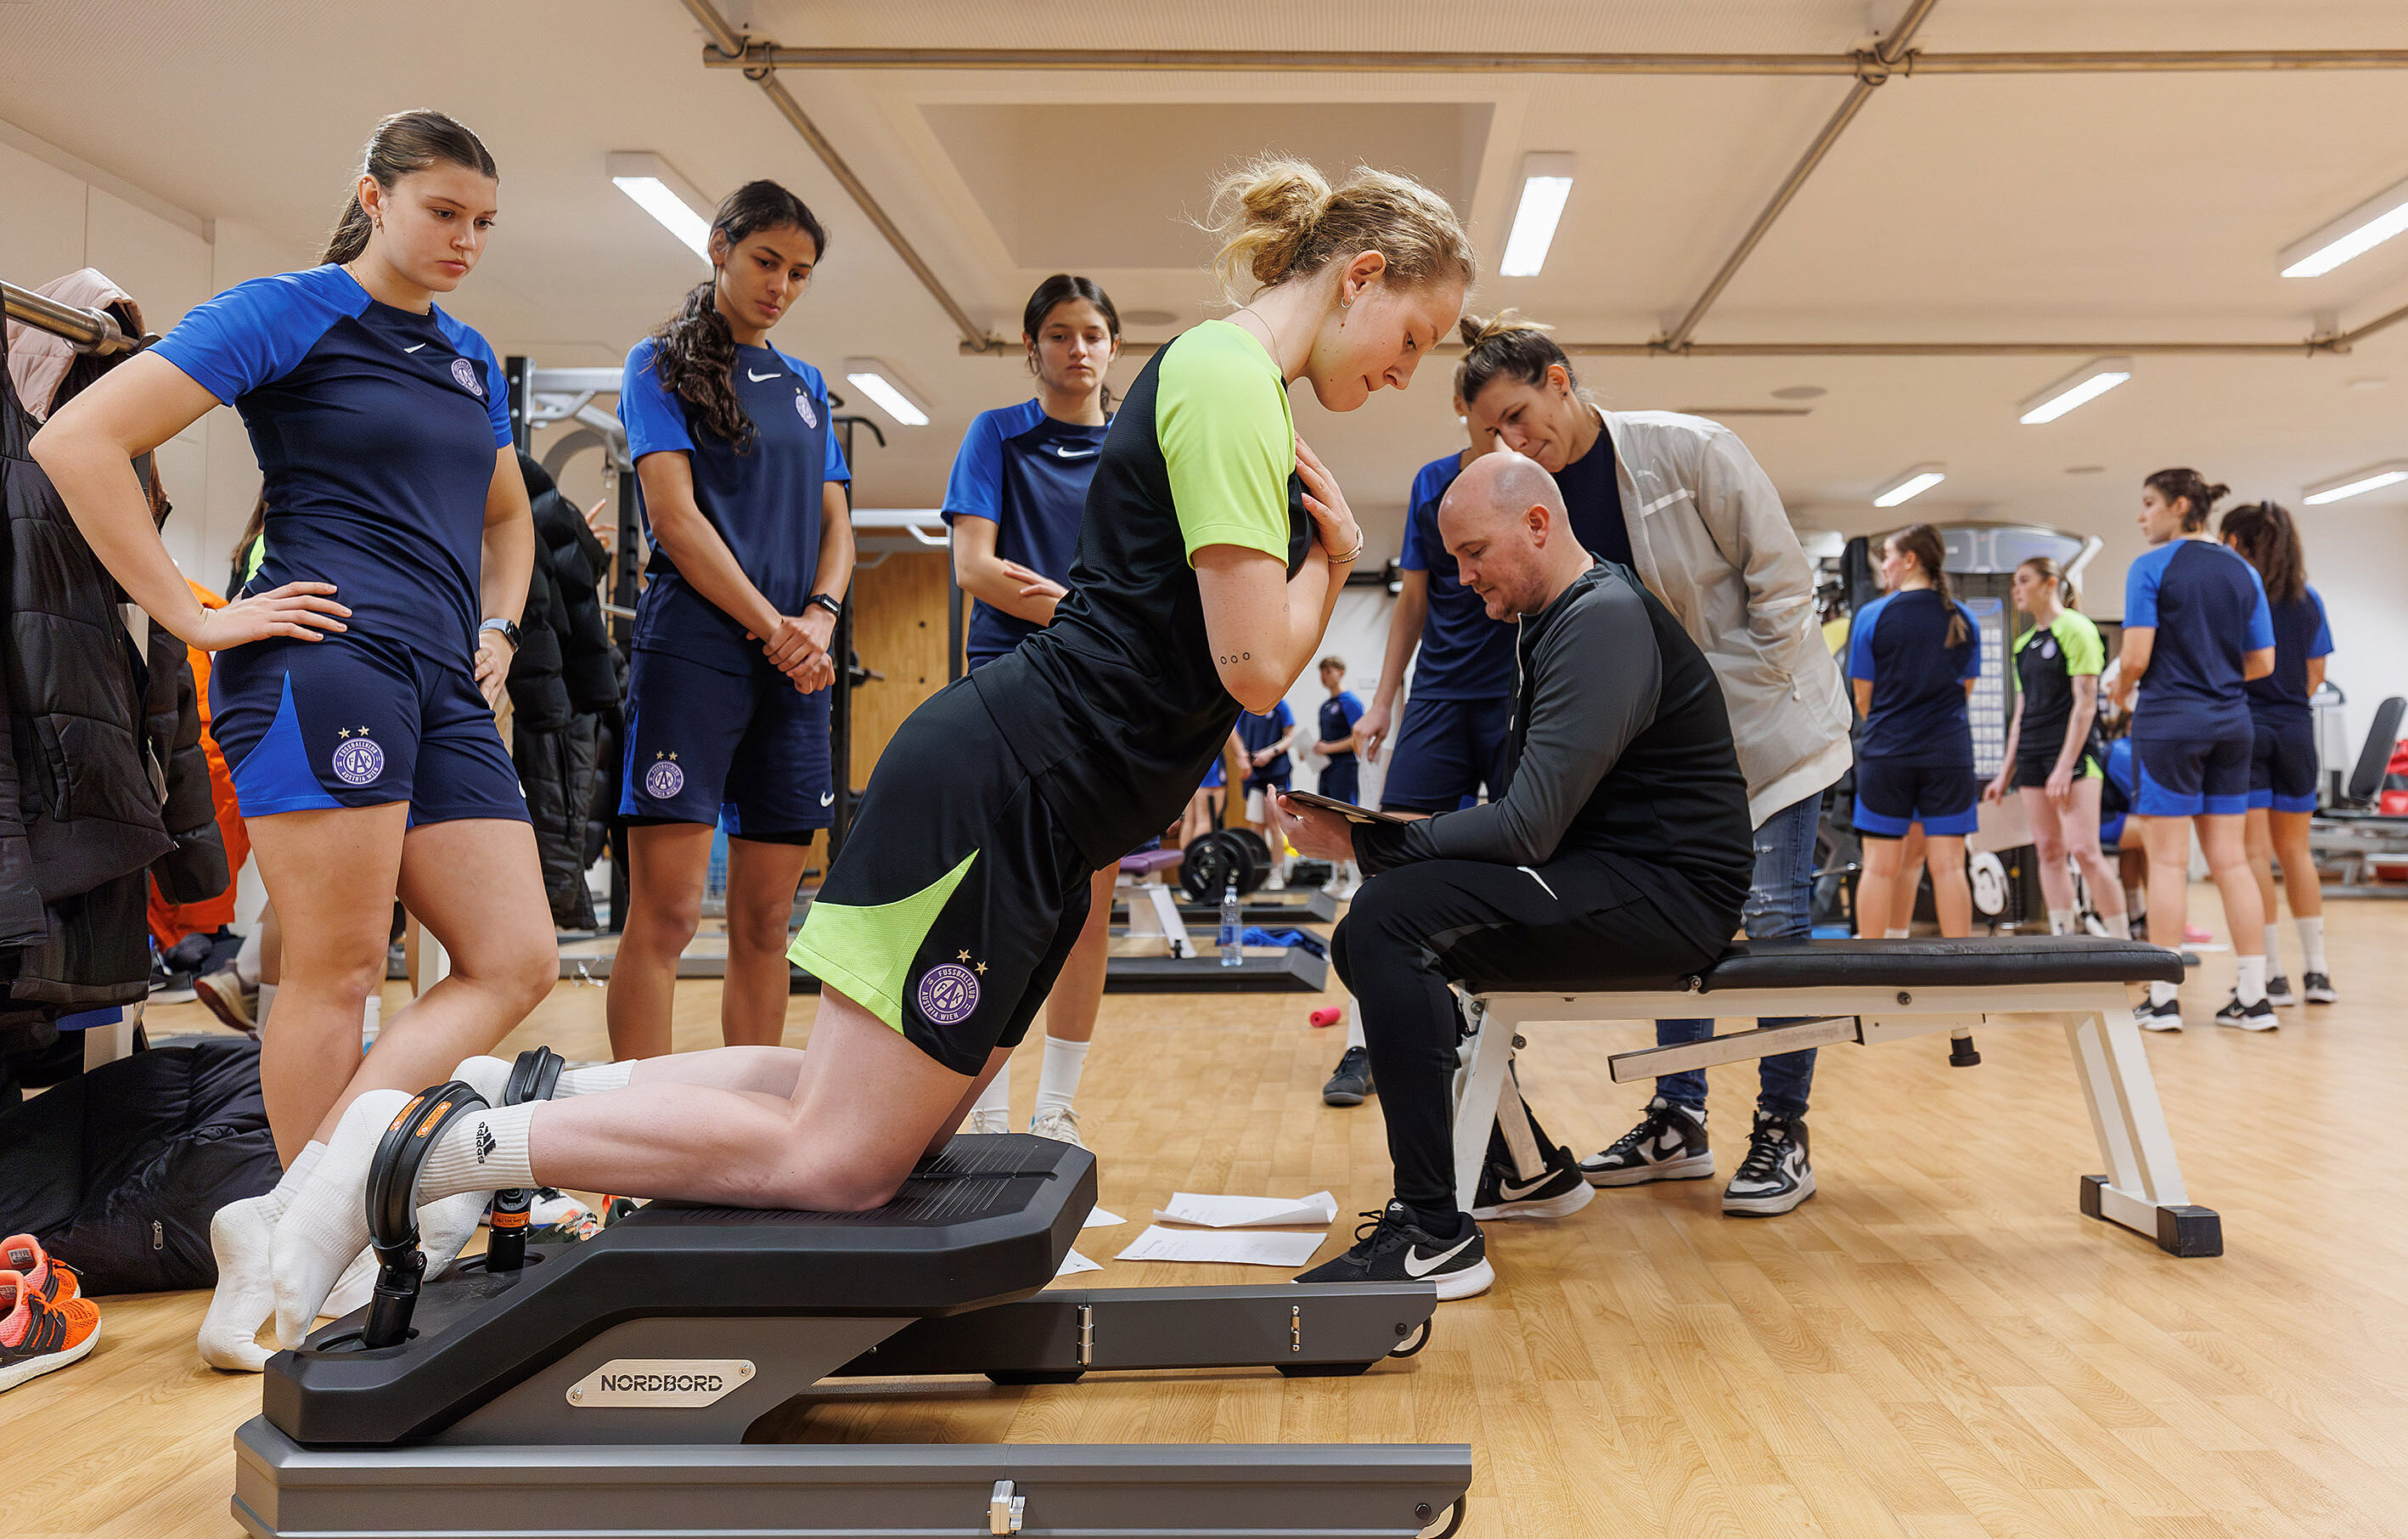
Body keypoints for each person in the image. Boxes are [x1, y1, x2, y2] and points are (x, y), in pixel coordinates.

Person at [263, 155, 1474, 1345]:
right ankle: (425, 1149)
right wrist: (1331, 561)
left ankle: (508, 1099)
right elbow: (1256, 668)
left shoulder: (1238, 385)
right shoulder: (1226, 379)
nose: (1409, 370)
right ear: (1361, 275)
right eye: (1415, 337)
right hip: (1005, 794)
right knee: (837, 1160)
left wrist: (1315, 567)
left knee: (871, 1126)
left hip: (1050, 821)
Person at [29, 110, 559, 1369]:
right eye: (443, 212)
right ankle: (312, 1248)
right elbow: (77, 441)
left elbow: (507, 515)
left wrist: (502, 621)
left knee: (516, 956)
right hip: (325, 665)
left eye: (484, 222)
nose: (466, 240)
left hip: (442, 678)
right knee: (333, 971)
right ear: (373, 198)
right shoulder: (289, 310)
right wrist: (194, 613)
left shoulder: (470, 356)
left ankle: (282, 1219)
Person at [1277, 454, 1753, 1296]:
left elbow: (1527, 826)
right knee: (1369, 937)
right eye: (1453, 559)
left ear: (1538, 525)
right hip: (1609, 872)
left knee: (1388, 918)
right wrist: (1378, 835)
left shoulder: (1601, 618)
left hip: (1667, 898)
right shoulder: (1552, 617)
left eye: (1473, 554)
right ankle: (1523, 1168)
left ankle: (1433, 1230)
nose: (1459, 579)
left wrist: (1367, 847)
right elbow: (1534, 816)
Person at [1460, 314, 1852, 1217]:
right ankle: (1680, 1119)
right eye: (1492, 433)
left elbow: (1785, 588)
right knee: (1683, 927)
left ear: (1562, 380)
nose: (1514, 443)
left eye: (1520, 416)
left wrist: (1712, 708)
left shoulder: (1692, 450)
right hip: (1662, 757)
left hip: (1772, 732)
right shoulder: (1538, 507)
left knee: (1780, 922)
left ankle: (1783, 1129)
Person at [603, 181, 852, 1060]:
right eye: (766, 261)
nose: (781, 285)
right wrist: (774, 625)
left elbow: (836, 526)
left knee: (767, 922)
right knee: (665, 915)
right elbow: (675, 519)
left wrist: (818, 617)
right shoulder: (656, 365)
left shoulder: (807, 385)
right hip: (696, 655)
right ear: (719, 247)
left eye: (800, 273)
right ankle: (639, 1147)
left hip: (795, 666)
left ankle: (749, 1133)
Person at [942, 274, 1126, 1144]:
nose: (1077, 348)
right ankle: (985, 1111)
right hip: (1013, 677)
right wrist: (1088, 615)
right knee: (999, 901)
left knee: (1086, 905)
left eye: (1092, 333)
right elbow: (975, 567)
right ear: (1032, 348)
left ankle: (1056, 1110)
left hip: (1108, 693)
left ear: (1113, 347)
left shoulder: (1138, 445)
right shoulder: (997, 436)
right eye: (1059, 334)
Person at [1324, 379, 1506, 1106]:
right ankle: (1364, 1043)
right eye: (1484, 411)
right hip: (1439, 696)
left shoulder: (1538, 482)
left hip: (1519, 695)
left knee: (1511, 862)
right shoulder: (1435, 482)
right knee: (1388, 860)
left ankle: (1484, 1036)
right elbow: (1416, 600)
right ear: (1461, 407)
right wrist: (1382, 699)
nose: (1500, 425)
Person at [2110, 469, 2276, 1031]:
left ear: (2181, 506)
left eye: (2149, 503)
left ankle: (2162, 1000)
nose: (2142, 516)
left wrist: (2120, 689)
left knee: (2169, 862)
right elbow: (2264, 663)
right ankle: (2254, 998)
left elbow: (2134, 656)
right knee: (2231, 862)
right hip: (2233, 725)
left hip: (2169, 724)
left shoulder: (2150, 567)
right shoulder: (2244, 571)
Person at [2222, 501, 2337, 1006]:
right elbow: (2317, 676)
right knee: (2296, 850)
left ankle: (2272, 976)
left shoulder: (2238, 598)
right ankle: (2318, 973)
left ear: (2237, 544)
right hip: (2295, 731)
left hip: (2247, 729)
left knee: (2253, 855)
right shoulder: (2309, 600)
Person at [1848, 525, 1982, 943]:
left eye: (1887, 555)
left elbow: (1862, 699)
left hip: (1887, 755)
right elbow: (1966, 690)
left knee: (1879, 868)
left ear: (1910, 560)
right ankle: (1961, 975)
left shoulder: (1872, 615)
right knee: (1949, 867)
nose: (1883, 565)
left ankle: (1871, 978)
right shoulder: (1964, 616)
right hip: (1949, 756)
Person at [1984, 557, 2130, 938]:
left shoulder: (2077, 629)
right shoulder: (2023, 645)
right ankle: (2063, 941)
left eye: (2024, 580)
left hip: (2073, 757)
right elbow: (2022, 713)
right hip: (2032, 756)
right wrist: (2005, 773)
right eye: (2015, 582)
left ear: (2049, 584)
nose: (2017, 589)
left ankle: (2124, 945)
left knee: (2084, 850)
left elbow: (2085, 705)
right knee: (2049, 851)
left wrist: (2065, 766)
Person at [1238, 698, 1297, 887]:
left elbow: (1291, 736)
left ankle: (1276, 873)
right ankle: (1260, 873)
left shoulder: (1280, 705)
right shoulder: (1245, 707)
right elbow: (1236, 736)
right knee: (1256, 826)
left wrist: (1271, 752)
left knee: (1274, 825)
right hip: (1254, 774)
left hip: (1276, 772)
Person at [1311, 657, 1364, 803]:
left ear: (1341, 673)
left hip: (1344, 767)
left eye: (1328, 672)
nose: (1324, 676)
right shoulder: (1325, 706)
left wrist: (1328, 748)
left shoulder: (1350, 702)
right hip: (1326, 767)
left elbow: (1358, 738)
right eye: (1322, 672)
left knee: (1344, 813)